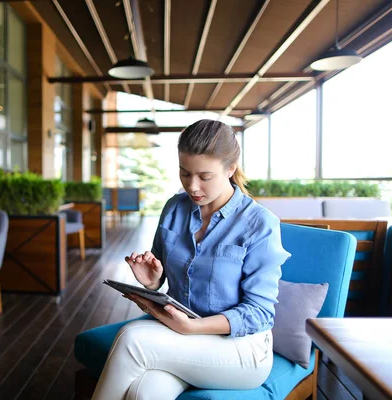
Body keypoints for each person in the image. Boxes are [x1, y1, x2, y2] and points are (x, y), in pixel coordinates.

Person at [92, 119, 291, 400]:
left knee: (132, 339)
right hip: (181, 336)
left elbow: (260, 312)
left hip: (240, 349)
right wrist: (152, 282)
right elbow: (161, 276)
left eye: (204, 176)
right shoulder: (175, 208)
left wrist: (193, 327)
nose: (192, 186)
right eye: (185, 173)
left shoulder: (260, 224)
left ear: (230, 168)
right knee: (144, 392)